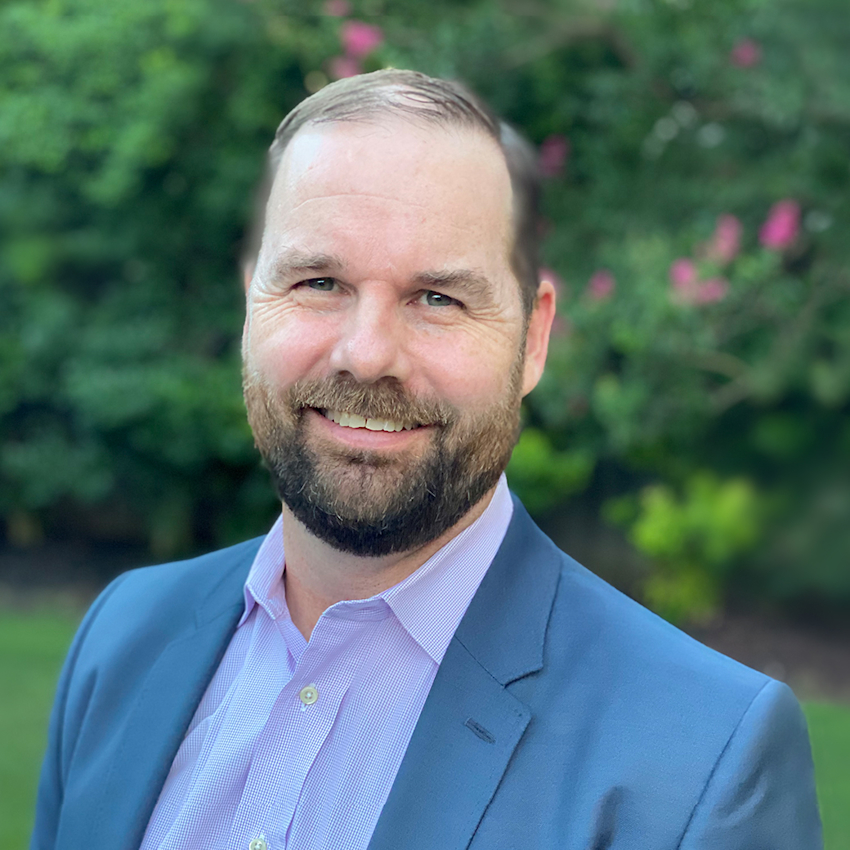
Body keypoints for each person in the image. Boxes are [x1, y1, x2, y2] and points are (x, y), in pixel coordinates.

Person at [31, 70, 822, 850]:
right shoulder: (123, 637)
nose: (367, 354)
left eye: (438, 298)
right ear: (250, 302)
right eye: (319, 281)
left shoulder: (700, 767)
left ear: (533, 339)